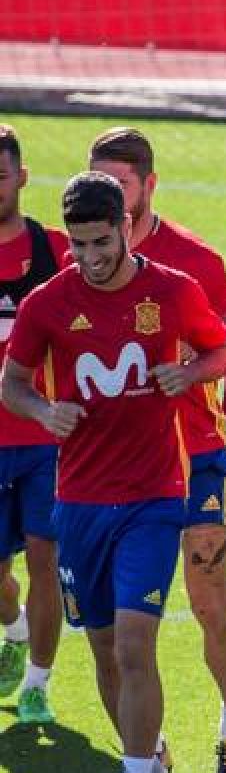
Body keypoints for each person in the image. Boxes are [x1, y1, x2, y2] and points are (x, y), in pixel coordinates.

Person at [2, 171, 226, 773]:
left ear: (127, 226)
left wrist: (188, 374)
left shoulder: (171, 291)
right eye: (78, 244)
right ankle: (149, 755)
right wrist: (44, 409)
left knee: (134, 642)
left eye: (102, 241)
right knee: (102, 648)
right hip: (79, 503)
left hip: (156, 497)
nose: (90, 257)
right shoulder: (49, 302)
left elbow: (219, 349)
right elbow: (13, 381)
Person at [88, 127, 226, 773]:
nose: (109, 197)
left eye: (121, 185)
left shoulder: (195, 263)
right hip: (113, 471)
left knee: (209, 601)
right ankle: (146, 756)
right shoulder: (82, 266)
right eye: (99, 182)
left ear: (149, 185)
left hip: (196, 457)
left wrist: (193, 372)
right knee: (118, 627)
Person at [0, 124, 66, 725]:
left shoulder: (55, 251)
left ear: (21, 177)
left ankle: (38, 684)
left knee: (47, 560)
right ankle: (14, 631)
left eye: (1, 175)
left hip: (47, 439)